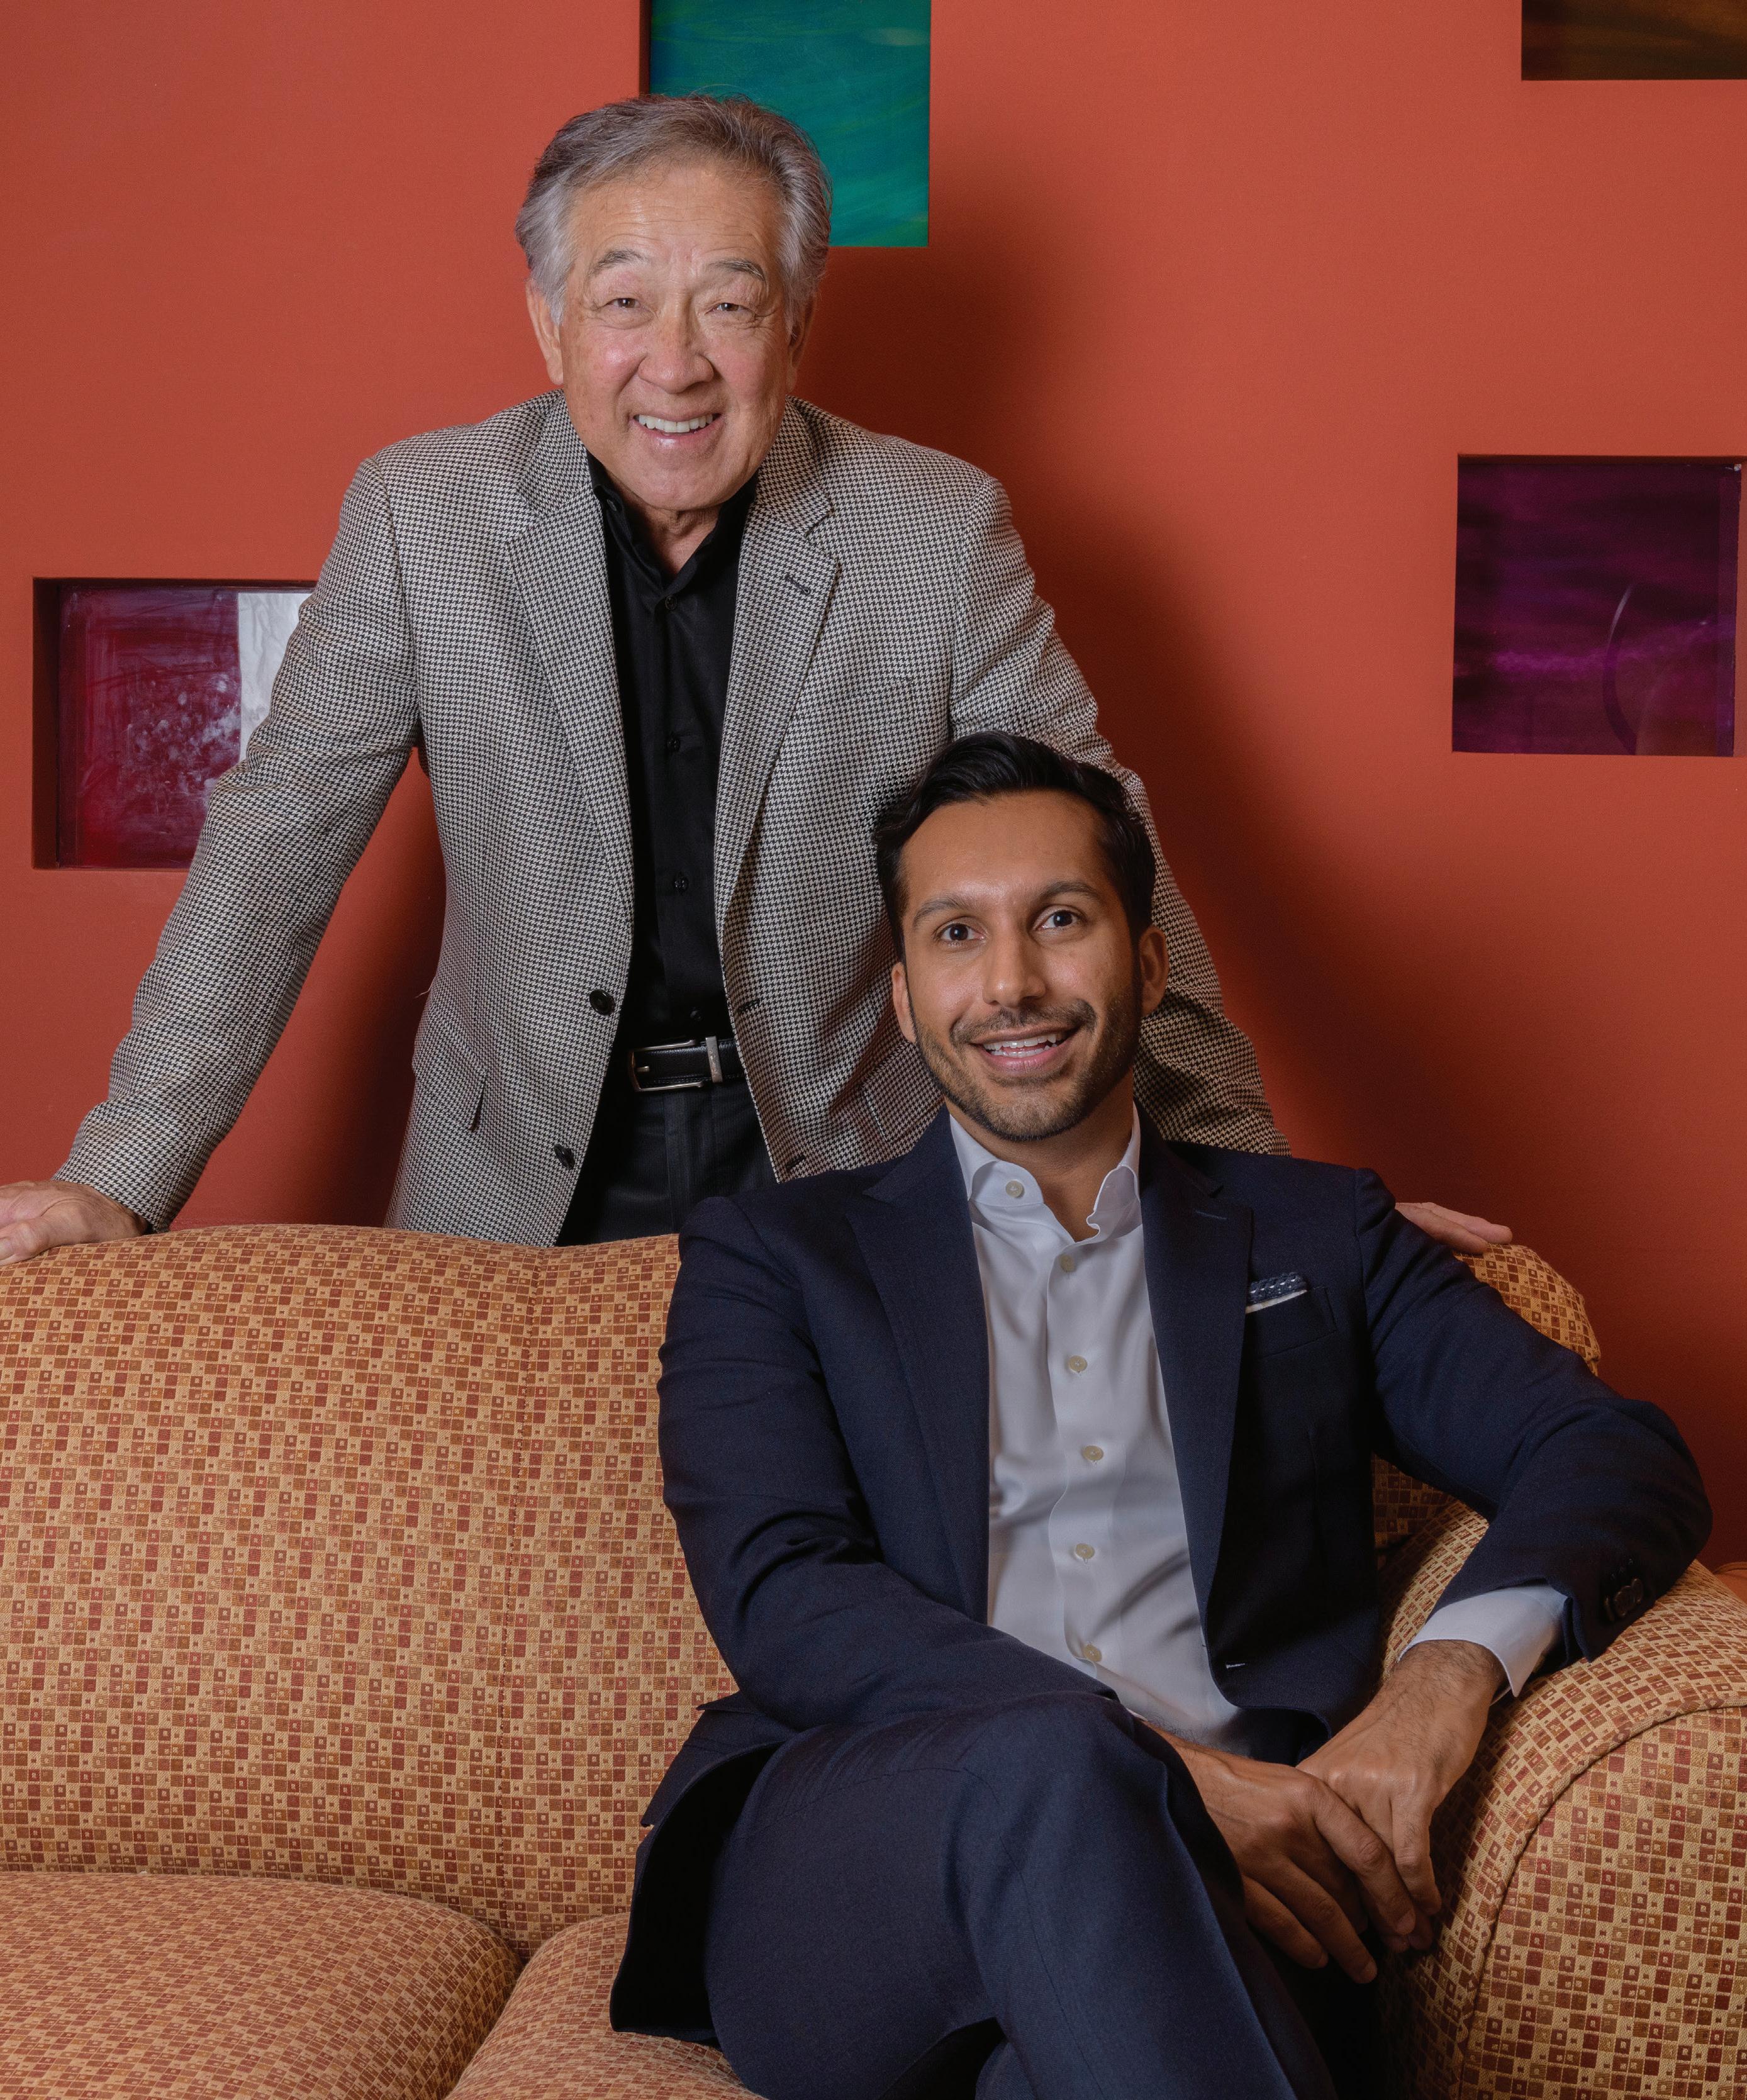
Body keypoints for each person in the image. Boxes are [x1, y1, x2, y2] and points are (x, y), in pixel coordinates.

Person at [0, 95, 1502, 1266]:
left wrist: (1261, 1201)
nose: (676, 364)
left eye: (728, 301)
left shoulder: (935, 532)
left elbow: (1099, 853)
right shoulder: (421, 518)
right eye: (622, 302)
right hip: (513, 1177)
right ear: (548, 325)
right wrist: (118, 1178)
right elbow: (272, 852)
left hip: (845, 1160)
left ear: (796, 323)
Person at [613, 733, 1709, 2099]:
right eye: (956, 934)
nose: (1011, 983)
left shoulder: (1317, 1236)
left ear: (1148, 960)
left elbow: (1610, 1450)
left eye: (1060, 920)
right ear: (902, 996)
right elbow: (785, 1594)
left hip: (1236, 1897)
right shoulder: (777, 1258)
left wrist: (1442, 1679)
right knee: (1058, 1762)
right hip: (863, 1866)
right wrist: (1161, 1773)